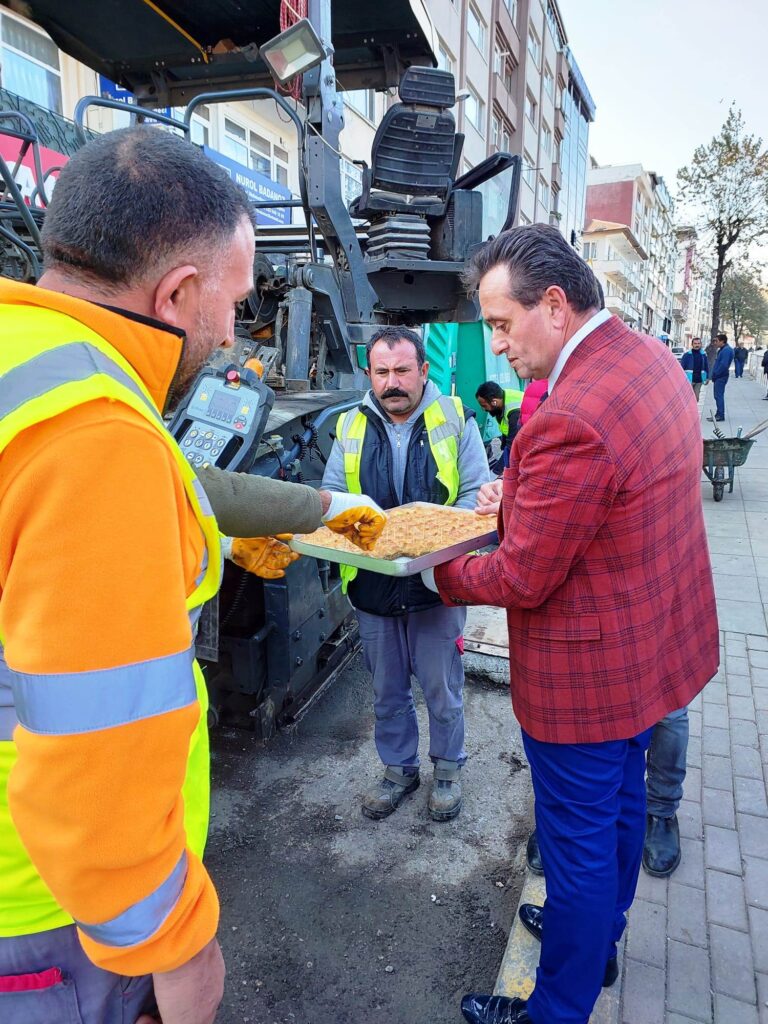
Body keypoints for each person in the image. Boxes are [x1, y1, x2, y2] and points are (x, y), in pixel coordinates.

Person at [0, 127, 385, 1024]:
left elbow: (180, 483)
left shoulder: (32, 362)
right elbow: (98, 753)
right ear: (175, 294)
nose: (233, 334)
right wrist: (177, 948)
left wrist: (318, 507)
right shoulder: (99, 435)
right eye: (234, 304)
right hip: (51, 907)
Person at [419, 224, 718, 1024]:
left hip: (587, 676)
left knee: (577, 848)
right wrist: (518, 494)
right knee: (619, 809)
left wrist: (428, 567)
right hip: (648, 649)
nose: (496, 344)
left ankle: (554, 1007)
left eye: (500, 323)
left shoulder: (572, 412)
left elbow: (520, 576)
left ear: (554, 305)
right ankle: (598, 939)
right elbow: (611, 496)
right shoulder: (649, 358)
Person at [322, 326, 490, 822]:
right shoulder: (350, 424)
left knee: (442, 686)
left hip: (437, 585)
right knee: (388, 689)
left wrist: (429, 541)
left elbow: (475, 495)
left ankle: (447, 771)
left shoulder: (455, 417)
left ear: (423, 370)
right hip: (372, 583)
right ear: (369, 374)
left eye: (401, 370)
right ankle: (398, 770)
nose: (392, 382)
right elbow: (333, 495)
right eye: (381, 372)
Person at [476, 380, 525, 468]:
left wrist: (496, 472)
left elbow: (512, 447)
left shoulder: (514, 412)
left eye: (484, 406)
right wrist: (503, 447)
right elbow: (506, 428)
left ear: (494, 402)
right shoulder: (502, 397)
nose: (483, 409)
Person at [710, 333, 733, 422]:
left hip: (721, 376)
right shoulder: (723, 350)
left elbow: (723, 365)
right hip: (719, 375)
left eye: (717, 341)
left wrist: (716, 374)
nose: (715, 343)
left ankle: (720, 415)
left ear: (722, 341)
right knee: (717, 395)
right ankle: (718, 414)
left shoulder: (726, 350)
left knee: (718, 395)